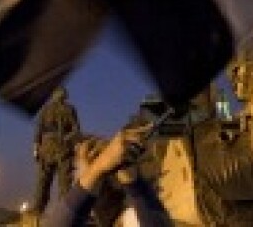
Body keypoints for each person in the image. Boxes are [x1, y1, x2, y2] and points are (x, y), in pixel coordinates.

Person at [41, 124, 171, 227]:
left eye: (74, 169)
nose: (72, 177)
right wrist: (97, 169)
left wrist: (99, 170)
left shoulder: (132, 219)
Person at [33, 87, 80, 213]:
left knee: (51, 181)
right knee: (55, 181)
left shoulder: (50, 109)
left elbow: (39, 130)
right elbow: (76, 130)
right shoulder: (62, 109)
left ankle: (44, 209)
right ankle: (55, 210)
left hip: (53, 147)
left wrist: (36, 147)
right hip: (56, 148)